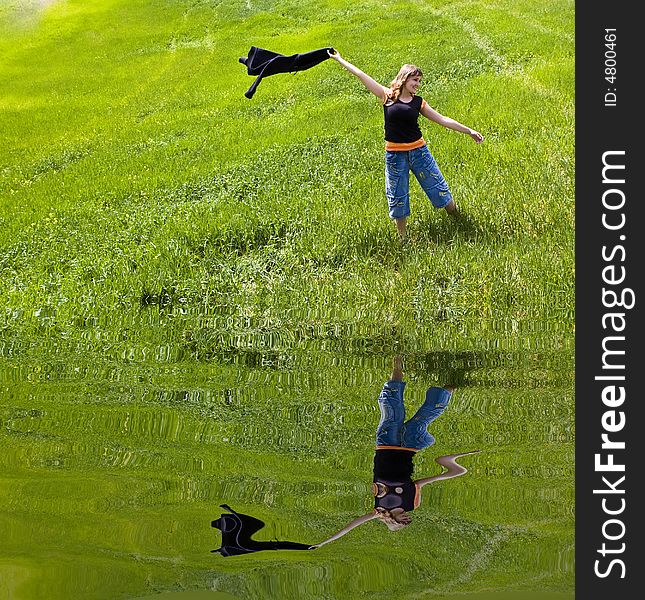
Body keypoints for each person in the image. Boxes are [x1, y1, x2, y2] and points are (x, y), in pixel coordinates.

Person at [310, 356, 479, 548]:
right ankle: (453, 384)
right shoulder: (411, 504)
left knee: (392, 407)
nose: (406, 519)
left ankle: (397, 364)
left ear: (392, 521)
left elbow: (350, 527)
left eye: (402, 522)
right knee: (427, 415)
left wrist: (323, 543)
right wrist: (447, 471)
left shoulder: (379, 509)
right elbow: (420, 483)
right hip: (409, 447)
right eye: (407, 522)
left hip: (386, 445)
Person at [328, 50, 484, 240]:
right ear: (404, 78)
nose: (417, 85)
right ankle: (403, 238)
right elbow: (361, 75)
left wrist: (469, 131)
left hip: (419, 152)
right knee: (397, 194)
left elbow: (442, 119)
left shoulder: (418, 102)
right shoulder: (387, 96)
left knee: (437, 186)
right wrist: (339, 59)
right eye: (415, 80)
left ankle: (458, 217)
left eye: (419, 81)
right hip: (395, 156)